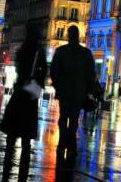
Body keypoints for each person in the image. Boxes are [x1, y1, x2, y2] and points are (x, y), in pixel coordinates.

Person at [0, 24, 47, 160]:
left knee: (13, 124)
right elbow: (43, 69)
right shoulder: (39, 51)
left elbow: (18, 67)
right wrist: (38, 82)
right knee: (27, 128)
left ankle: (9, 150)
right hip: (31, 92)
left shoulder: (22, 49)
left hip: (20, 88)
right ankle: (25, 153)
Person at [50, 25, 96, 160]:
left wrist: (58, 86)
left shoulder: (60, 51)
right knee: (74, 119)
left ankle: (62, 144)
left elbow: (54, 72)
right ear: (78, 35)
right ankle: (71, 145)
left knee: (63, 118)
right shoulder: (86, 53)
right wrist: (88, 90)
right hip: (79, 92)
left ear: (68, 36)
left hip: (64, 92)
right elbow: (91, 74)